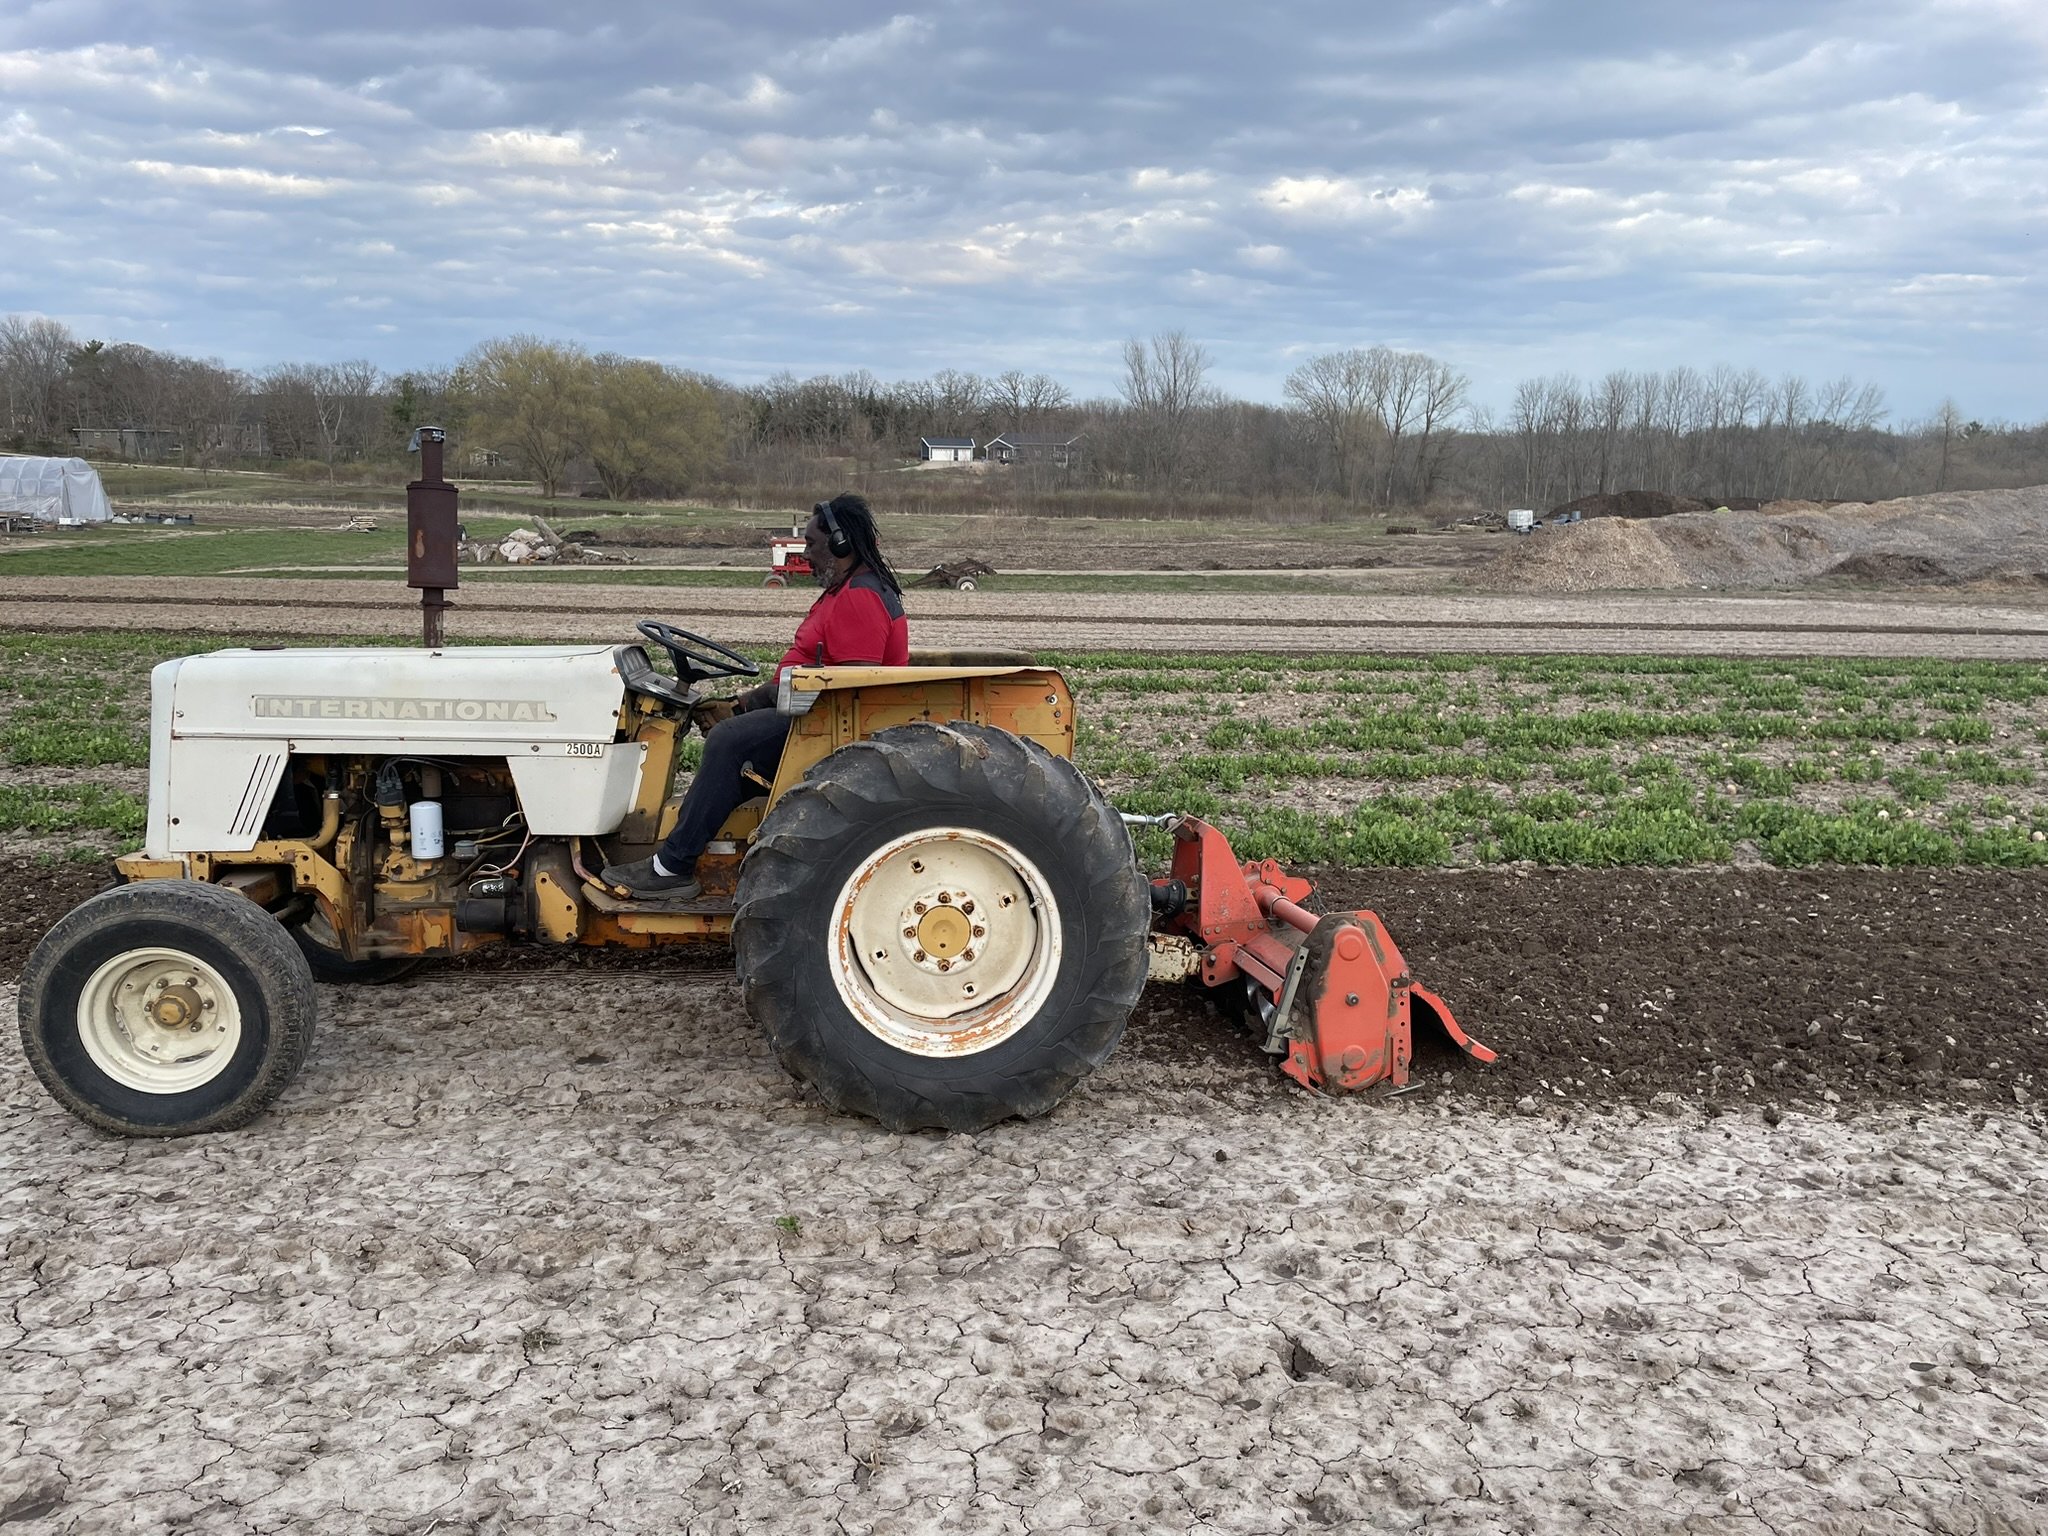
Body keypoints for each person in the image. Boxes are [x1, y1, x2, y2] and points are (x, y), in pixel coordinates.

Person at [601, 492, 909, 901]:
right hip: (815, 710)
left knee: (728, 741)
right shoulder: (849, 589)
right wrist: (744, 703)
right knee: (734, 738)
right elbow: (816, 672)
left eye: (813, 545)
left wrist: (747, 709)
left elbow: (847, 687)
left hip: (832, 725)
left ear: (841, 544)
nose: (807, 555)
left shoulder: (858, 598)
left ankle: (672, 866)